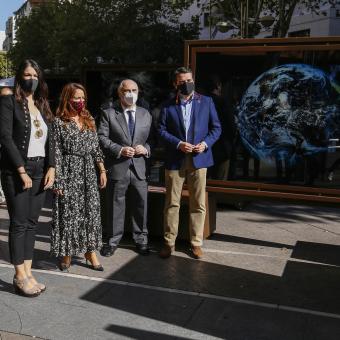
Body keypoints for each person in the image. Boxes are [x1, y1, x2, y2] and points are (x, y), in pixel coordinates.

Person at [0, 59, 55, 297]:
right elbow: (5, 137)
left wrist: (52, 166)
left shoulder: (42, 104)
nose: (30, 78)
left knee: (32, 222)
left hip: (40, 169)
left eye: (35, 74)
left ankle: (29, 272)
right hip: (17, 170)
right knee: (19, 222)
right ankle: (19, 275)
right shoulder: (9, 100)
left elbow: (50, 138)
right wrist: (21, 170)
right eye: (26, 74)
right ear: (19, 76)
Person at [158, 67, 221, 259]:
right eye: (182, 81)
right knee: (172, 203)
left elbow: (216, 128)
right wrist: (178, 144)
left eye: (189, 80)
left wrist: (205, 144)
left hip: (199, 159)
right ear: (175, 84)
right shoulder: (168, 106)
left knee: (198, 204)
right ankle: (169, 243)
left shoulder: (207, 102)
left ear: (193, 80)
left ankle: (196, 243)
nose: (186, 84)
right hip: (175, 160)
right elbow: (160, 130)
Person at [50, 83, 107, 271]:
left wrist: (102, 169)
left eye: (83, 98)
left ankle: (90, 251)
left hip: (88, 171)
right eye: (76, 98)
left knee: (90, 213)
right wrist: (57, 179)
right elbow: (56, 152)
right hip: (68, 170)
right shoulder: (58, 122)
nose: (80, 101)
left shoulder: (89, 118)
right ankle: (66, 252)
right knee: (69, 214)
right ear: (67, 99)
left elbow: (96, 147)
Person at [98, 79, 152, 257]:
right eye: (126, 90)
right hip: (118, 166)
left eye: (134, 90)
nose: (130, 94)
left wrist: (146, 149)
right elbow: (102, 138)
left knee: (140, 205)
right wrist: (119, 149)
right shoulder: (109, 113)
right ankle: (112, 241)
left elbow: (154, 139)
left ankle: (141, 240)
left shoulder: (146, 114)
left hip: (139, 167)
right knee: (115, 205)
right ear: (120, 93)